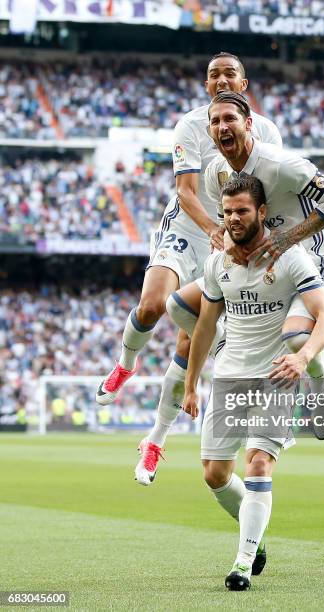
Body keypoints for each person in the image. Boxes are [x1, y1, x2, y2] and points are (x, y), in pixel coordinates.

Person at [93, 53, 282, 484]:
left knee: (190, 338)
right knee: (152, 305)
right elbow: (186, 191)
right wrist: (216, 231)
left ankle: (156, 439)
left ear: (244, 82)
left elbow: (270, 191)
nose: (220, 79)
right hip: (191, 225)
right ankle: (126, 362)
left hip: (230, 234)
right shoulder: (190, 126)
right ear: (205, 85)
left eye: (229, 73)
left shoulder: (267, 130)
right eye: (213, 74)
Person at [182, 175, 324, 590]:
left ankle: (242, 562)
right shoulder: (217, 263)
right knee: (215, 474)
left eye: (242, 211)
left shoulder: (288, 258)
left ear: (262, 212)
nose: (233, 218)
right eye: (227, 211)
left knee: (258, 462)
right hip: (230, 375)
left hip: (276, 374)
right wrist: (190, 382)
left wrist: (303, 358)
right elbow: (205, 325)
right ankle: (256, 533)